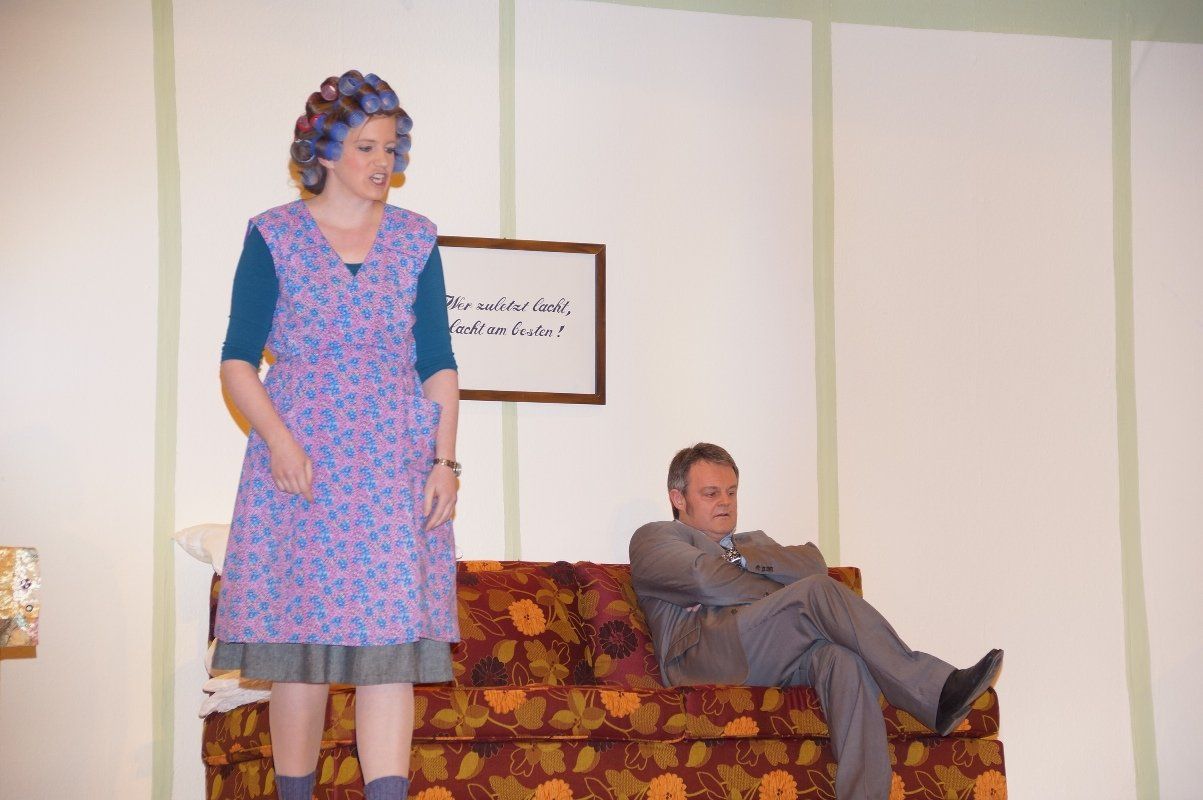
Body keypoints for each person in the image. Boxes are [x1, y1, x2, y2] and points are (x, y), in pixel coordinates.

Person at [212, 69, 462, 800]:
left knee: (388, 656)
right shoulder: (274, 235)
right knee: (301, 654)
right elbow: (237, 360)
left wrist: (445, 462)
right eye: (366, 147)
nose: (383, 162)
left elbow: (438, 363)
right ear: (323, 152)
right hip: (301, 464)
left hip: (393, 464)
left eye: (390, 147)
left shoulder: (416, 240)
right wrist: (280, 443)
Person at [629, 443, 1002, 800]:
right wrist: (774, 586)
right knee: (814, 593)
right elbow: (703, 580)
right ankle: (934, 692)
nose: (725, 502)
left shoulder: (752, 543)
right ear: (679, 498)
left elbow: (814, 563)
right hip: (708, 657)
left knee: (845, 661)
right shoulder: (655, 537)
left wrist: (740, 564)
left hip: (772, 653)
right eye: (711, 493)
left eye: (732, 492)